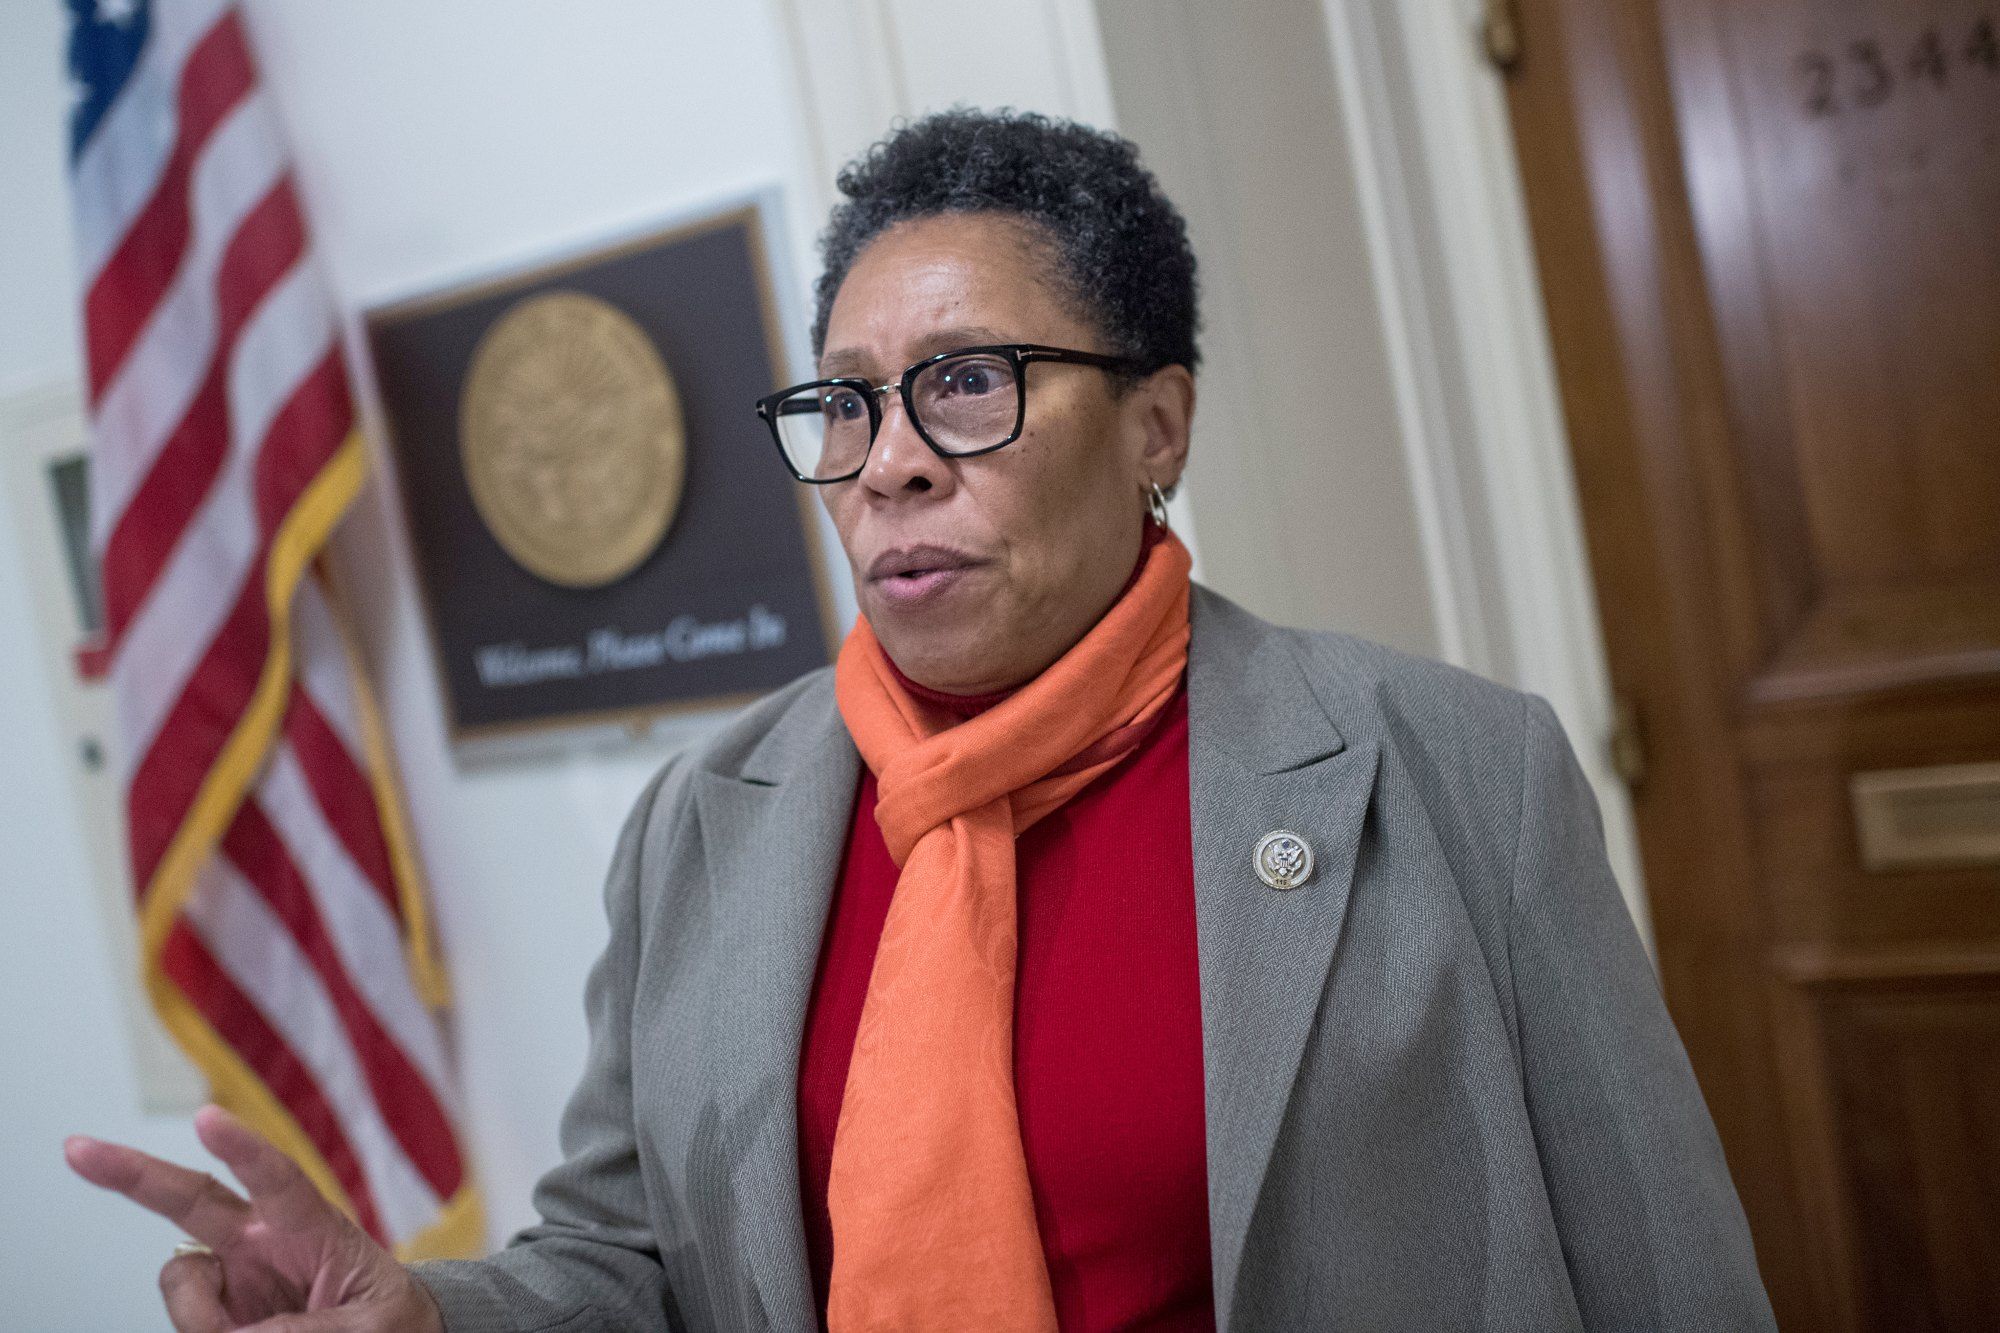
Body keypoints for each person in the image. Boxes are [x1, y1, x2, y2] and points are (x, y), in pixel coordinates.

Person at [65, 109, 1777, 1332]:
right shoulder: (710, 817)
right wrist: (426, 1316)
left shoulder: (1450, 765)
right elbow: (631, 1261)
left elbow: (1662, 1271)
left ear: (1157, 424)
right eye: (846, 401)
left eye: (967, 381)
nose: (887, 458)